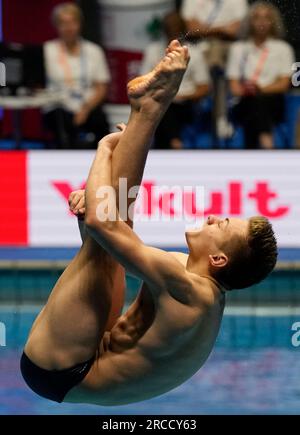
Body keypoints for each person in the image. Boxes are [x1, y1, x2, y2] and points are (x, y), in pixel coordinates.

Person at [21, 40, 277, 406]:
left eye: (222, 225)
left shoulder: (192, 293)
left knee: (102, 245)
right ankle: (147, 108)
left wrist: (106, 148)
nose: (213, 216)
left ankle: (149, 109)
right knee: (111, 239)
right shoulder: (187, 275)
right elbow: (103, 225)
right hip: (90, 348)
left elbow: (101, 222)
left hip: (61, 371)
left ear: (219, 259)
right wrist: (89, 215)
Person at [227, 1, 295, 149]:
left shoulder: (283, 48)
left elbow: (284, 84)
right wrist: (248, 90)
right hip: (244, 102)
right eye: (257, 17)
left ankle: (259, 149)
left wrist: (259, 89)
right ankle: (267, 146)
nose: (261, 22)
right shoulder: (238, 49)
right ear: (250, 21)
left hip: (273, 102)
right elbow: (234, 87)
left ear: (273, 21)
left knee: (259, 103)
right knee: (254, 105)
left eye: (266, 17)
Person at [44, 2, 111, 149]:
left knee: (100, 121)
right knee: (60, 120)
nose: (68, 28)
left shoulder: (94, 51)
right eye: (63, 23)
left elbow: (101, 87)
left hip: (88, 105)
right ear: (56, 26)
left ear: (80, 24)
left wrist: (85, 109)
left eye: (72, 22)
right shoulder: (47, 51)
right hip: (59, 106)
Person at [181, 0, 249, 142]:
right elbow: (191, 28)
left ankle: (219, 111)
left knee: (217, 52)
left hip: (228, 48)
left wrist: (206, 29)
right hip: (199, 48)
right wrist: (221, 30)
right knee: (206, 54)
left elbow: (237, 29)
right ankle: (215, 108)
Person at [140, 12, 210, 149]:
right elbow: (143, 81)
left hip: (185, 103)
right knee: (161, 105)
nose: (171, 31)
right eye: (168, 28)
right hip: (158, 99)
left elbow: (204, 87)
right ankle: (174, 142)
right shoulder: (152, 51)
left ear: (182, 30)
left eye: (175, 28)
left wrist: (180, 96)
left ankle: (172, 143)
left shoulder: (194, 53)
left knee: (167, 107)